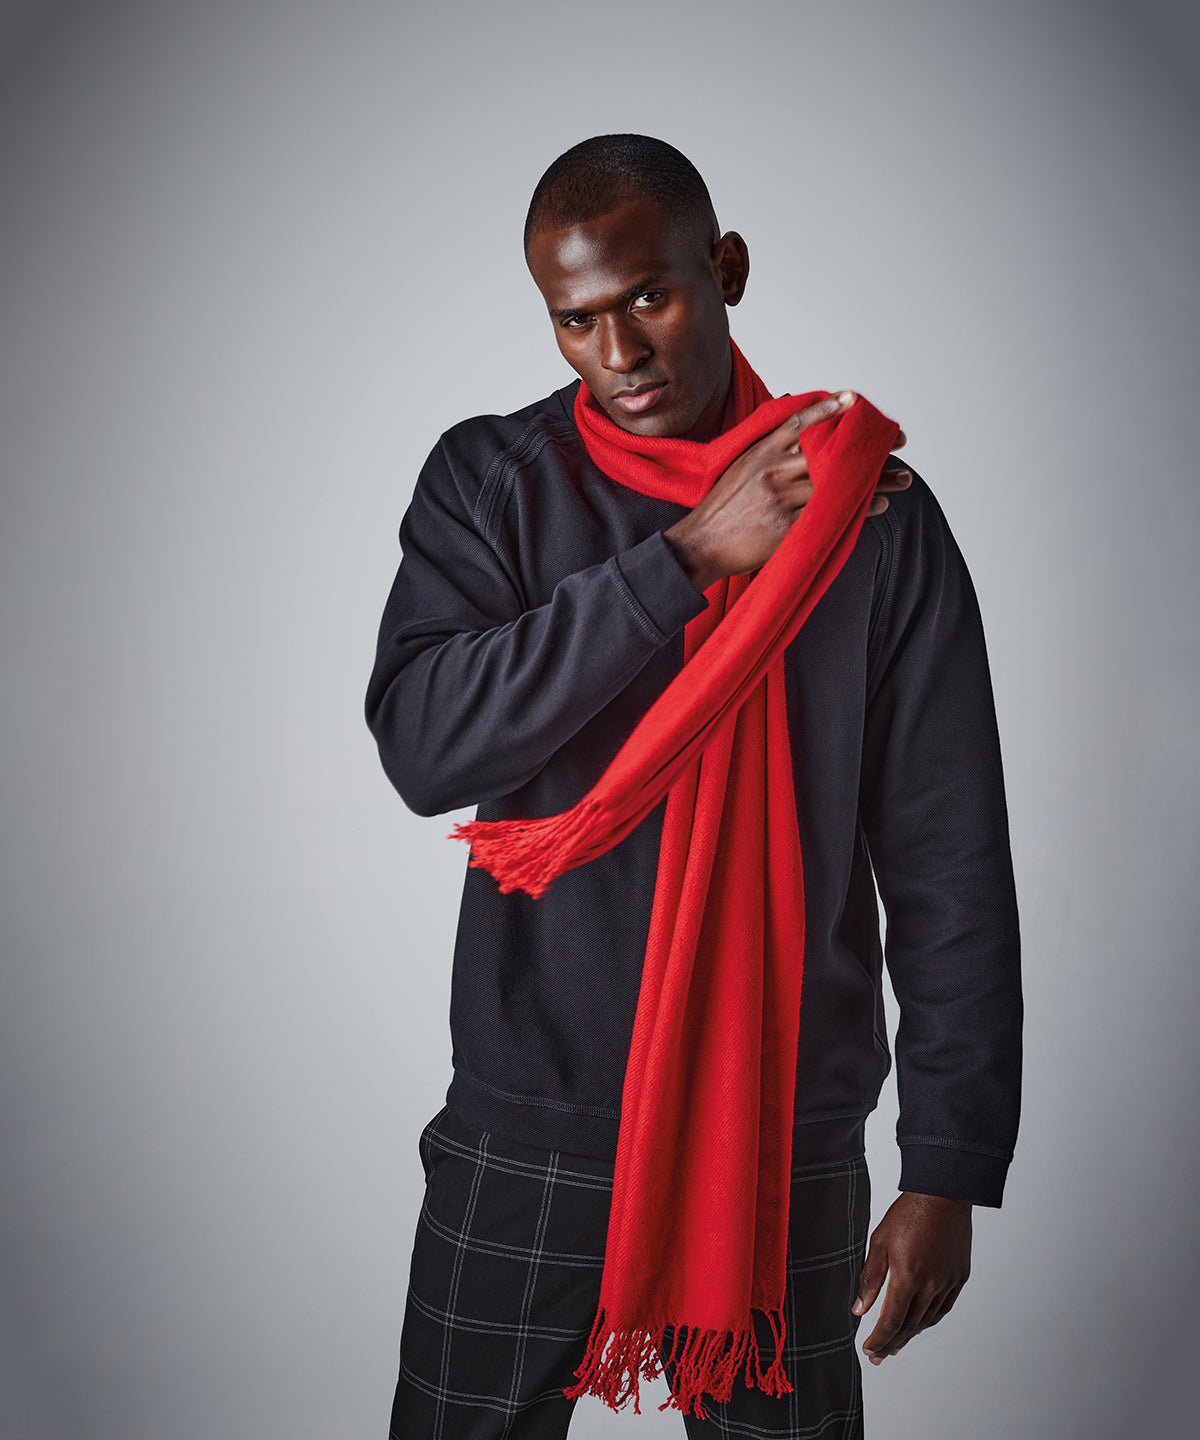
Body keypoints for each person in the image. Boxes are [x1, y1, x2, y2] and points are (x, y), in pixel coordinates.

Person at [365, 133, 1021, 1438]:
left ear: (725, 268)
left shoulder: (874, 514)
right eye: (576, 321)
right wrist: (684, 560)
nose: (618, 352)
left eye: (649, 297)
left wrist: (949, 1160)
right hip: (533, 1120)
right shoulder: (493, 483)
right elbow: (426, 747)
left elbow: (947, 855)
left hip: (781, 1124)